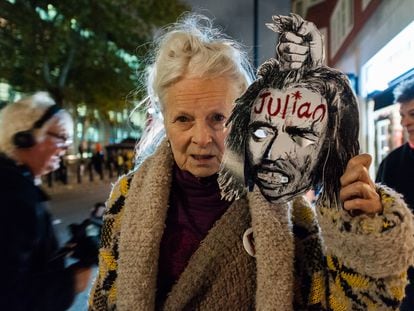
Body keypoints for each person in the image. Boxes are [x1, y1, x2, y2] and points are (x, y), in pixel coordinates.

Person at [89, 13, 414, 310]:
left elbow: (340, 305)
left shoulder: (289, 211)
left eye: (218, 118)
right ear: (164, 120)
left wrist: (363, 229)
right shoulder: (127, 200)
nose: (201, 138)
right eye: (183, 119)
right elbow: (103, 299)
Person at [0, 92, 93, 310]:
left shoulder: (15, 184)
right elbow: (10, 295)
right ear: (25, 137)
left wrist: (58, 253)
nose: (67, 147)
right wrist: (71, 282)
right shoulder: (12, 195)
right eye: (61, 137)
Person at [376, 77, 414, 311]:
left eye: (413, 113)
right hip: (404, 278)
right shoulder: (390, 164)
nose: (406, 121)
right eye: (403, 115)